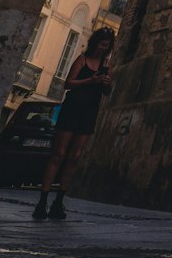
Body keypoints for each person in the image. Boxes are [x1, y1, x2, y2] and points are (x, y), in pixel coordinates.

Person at [32, 27, 113, 221]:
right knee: (59, 155)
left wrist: (106, 83)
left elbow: (106, 92)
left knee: (75, 157)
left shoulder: (107, 65)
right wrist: (89, 80)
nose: (104, 48)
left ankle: (59, 201)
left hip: (89, 112)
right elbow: (68, 83)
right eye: (102, 43)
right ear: (96, 42)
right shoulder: (82, 60)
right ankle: (42, 200)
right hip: (72, 110)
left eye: (107, 45)